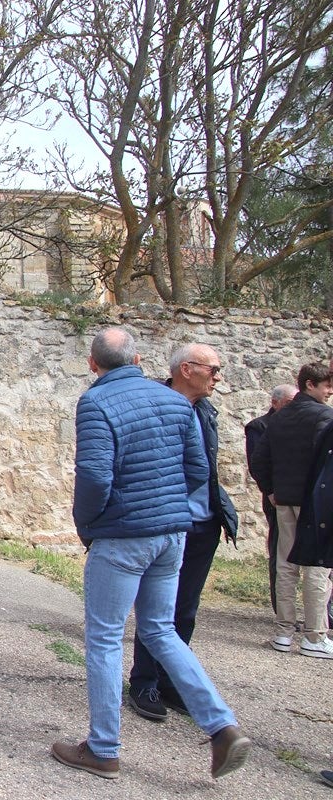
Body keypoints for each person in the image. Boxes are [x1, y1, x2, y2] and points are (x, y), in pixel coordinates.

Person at [51, 327, 249, 781]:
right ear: (139, 360)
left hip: (123, 535)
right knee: (162, 630)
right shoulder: (177, 403)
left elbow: (96, 477)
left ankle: (103, 748)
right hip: (171, 533)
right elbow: (199, 469)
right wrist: (166, 504)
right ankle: (220, 725)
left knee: (103, 638)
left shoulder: (97, 402)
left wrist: (88, 525)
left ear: (91, 363)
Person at [127, 344, 239, 721]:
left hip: (203, 523)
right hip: (165, 521)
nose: (218, 377)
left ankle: (171, 682)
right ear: (187, 369)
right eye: (213, 369)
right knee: (157, 609)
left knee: (185, 610)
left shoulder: (206, 411)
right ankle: (144, 682)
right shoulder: (154, 404)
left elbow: (207, 468)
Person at [250, 362, 333, 657]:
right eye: (326, 386)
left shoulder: (279, 418)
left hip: (284, 500)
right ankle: (315, 635)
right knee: (317, 567)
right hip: (315, 504)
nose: (330, 391)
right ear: (310, 384)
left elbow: (259, 459)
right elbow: (326, 462)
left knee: (285, 565)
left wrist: (271, 490)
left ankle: (284, 633)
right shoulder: (325, 416)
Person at [245, 384, 299, 612]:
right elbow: (258, 464)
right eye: (288, 404)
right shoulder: (259, 426)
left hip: (298, 496)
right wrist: (270, 491)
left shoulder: (297, 423)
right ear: (274, 403)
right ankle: (283, 610)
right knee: (280, 551)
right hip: (277, 497)